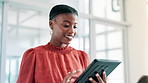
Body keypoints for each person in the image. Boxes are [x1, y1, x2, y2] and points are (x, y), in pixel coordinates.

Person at [17, 4, 107, 83]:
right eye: (66, 25)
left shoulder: (82, 57)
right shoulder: (34, 55)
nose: (72, 31)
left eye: (75, 26)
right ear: (51, 24)